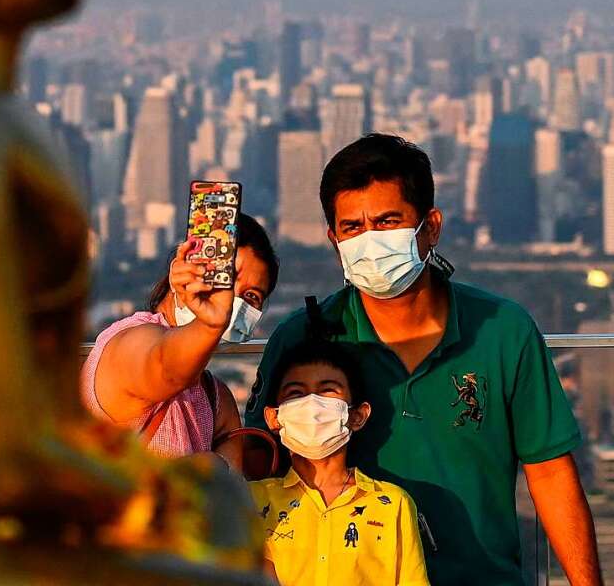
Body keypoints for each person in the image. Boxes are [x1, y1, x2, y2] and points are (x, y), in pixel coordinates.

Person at [246, 133, 602, 586]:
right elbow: (259, 464)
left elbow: (551, 473)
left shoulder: (501, 330)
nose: (369, 240)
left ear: (430, 227)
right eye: (352, 227)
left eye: (388, 221)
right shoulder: (306, 336)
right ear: (334, 240)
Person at [82, 213, 278, 467]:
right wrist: (209, 324)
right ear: (184, 270)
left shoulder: (217, 400)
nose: (231, 300)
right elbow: (163, 366)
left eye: (251, 296)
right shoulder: (127, 344)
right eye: (224, 280)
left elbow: (226, 493)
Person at [251, 338, 429, 586]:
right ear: (274, 417)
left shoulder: (392, 504)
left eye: (327, 391)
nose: (312, 405)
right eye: (296, 393)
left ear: (357, 416)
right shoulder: (250, 500)